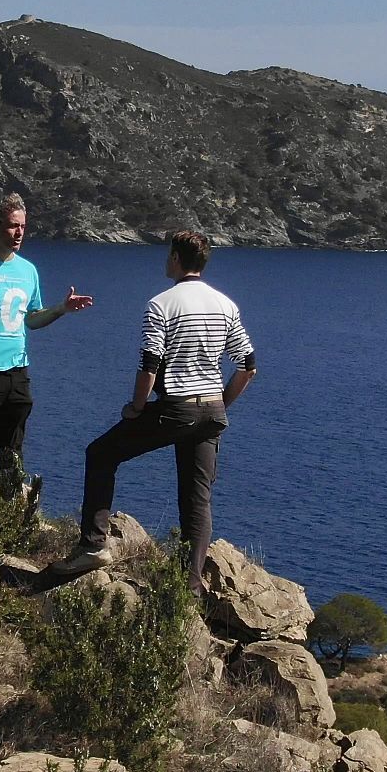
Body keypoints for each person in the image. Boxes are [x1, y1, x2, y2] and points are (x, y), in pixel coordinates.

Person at [59, 230, 256, 591]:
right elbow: (248, 365)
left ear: (177, 259)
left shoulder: (161, 304)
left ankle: (92, 545)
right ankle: (190, 590)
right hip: (211, 411)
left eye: (169, 255)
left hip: (176, 409)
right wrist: (220, 405)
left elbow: (150, 364)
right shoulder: (226, 305)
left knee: (101, 454)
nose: (166, 261)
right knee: (197, 501)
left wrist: (136, 408)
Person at [0, 193, 92, 473]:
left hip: (17, 375)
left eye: (23, 226)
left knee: (11, 457)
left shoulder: (28, 271)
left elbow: (32, 320)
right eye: (13, 226)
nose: (19, 233)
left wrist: (61, 308)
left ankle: (6, 510)